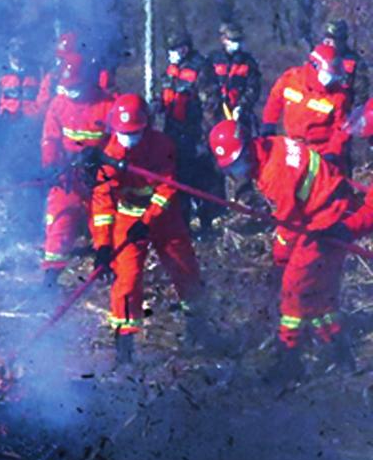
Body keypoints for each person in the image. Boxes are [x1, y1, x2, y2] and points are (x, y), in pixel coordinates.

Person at [209, 119, 373, 381]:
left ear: (248, 149)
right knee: (319, 292)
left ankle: (290, 359)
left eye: (237, 162)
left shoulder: (275, 175)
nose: (236, 170)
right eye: (230, 166)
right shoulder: (272, 145)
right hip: (326, 210)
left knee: (293, 289)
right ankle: (338, 351)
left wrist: (280, 261)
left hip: (325, 222)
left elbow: (288, 226)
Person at [91, 94, 210, 363]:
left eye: (133, 132)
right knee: (127, 279)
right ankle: (124, 346)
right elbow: (102, 202)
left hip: (164, 218)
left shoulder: (162, 145)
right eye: (123, 133)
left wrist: (147, 221)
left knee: (185, 269)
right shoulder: (110, 154)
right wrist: (103, 246)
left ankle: (199, 328)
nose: (128, 138)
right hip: (128, 219)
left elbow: (167, 187)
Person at [39, 53, 112, 287]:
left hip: (100, 176)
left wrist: (100, 158)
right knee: (60, 218)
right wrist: (51, 166)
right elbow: (50, 139)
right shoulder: (59, 104)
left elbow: (118, 144)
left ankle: (105, 264)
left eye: (75, 88)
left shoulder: (108, 105)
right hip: (69, 175)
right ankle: (50, 276)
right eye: (67, 88)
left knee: (103, 220)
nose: (71, 93)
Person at [0, 36, 48, 239]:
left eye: (22, 54)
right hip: (7, 133)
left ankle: (34, 226)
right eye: (15, 54)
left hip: (32, 135)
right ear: (9, 54)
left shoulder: (39, 71)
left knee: (34, 180)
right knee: (11, 180)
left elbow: (45, 100)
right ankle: (15, 227)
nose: (19, 58)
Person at [157, 29, 222, 235]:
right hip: (173, 133)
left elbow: (210, 107)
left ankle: (206, 225)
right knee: (177, 180)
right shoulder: (171, 70)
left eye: (174, 49)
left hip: (195, 135)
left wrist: (206, 139)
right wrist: (156, 105)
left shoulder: (201, 69)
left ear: (184, 49)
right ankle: (183, 225)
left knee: (200, 181)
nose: (170, 54)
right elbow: (163, 95)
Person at [261, 44, 351, 168]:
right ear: (315, 66)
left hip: (321, 150)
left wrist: (333, 152)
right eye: (330, 72)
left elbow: (342, 128)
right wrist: (269, 124)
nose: (333, 78)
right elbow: (274, 100)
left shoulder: (338, 96)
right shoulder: (291, 79)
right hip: (293, 147)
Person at [210, 21, 262, 129]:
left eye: (238, 41)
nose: (236, 44)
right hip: (215, 113)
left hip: (241, 113)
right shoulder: (213, 60)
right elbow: (205, 83)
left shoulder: (248, 62)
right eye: (232, 40)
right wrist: (215, 101)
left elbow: (254, 87)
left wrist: (242, 105)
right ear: (224, 40)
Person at [321, 19, 369, 110]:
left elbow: (361, 95)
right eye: (325, 38)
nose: (327, 42)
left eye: (332, 39)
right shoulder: (317, 58)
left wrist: (350, 113)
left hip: (341, 112)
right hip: (316, 109)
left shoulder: (355, 63)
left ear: (341, 41)